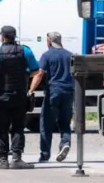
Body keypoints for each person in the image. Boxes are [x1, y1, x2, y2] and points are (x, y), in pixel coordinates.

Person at [0, 26, 40, 170]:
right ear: (14, 37)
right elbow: (36, 71)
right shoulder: (25, 50)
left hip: (2, 96)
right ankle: (17, 159)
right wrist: (24, 76)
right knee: (18, 127)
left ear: (2, 37)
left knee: (1, 128)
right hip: (20, 96)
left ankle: (2, 160)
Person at [29, 31, 75, 163]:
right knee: (64, 122)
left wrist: (31, 89)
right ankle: (65, 143)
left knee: (46, 123)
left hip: (53, 91)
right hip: (68, 91)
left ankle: (45, 154)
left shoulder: (47, 55)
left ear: (49, 41)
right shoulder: (70, 55)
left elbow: (39, 74)